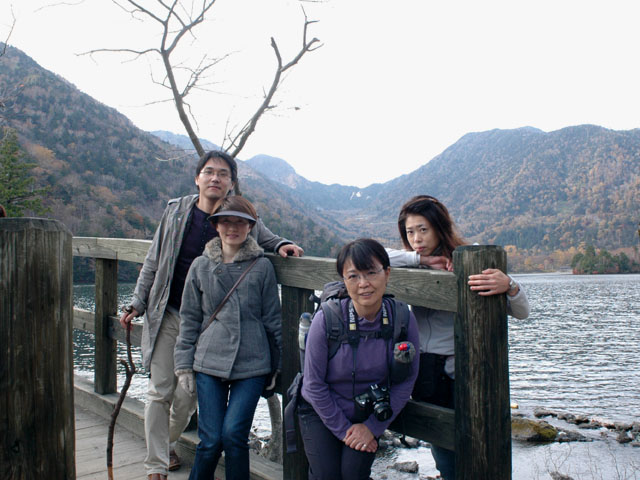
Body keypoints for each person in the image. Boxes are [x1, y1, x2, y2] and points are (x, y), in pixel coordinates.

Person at [119, 150, 303, 480]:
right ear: (197, 178)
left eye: (223, 173)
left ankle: (168, 441)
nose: (215, 178)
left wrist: (282, 245)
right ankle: (155, 464)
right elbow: (153, 259)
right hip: (170, 311)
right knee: (161, 390)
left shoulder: (239, 215)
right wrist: (138, 302)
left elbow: (266, 237)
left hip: (211, 326)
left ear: (232, 182)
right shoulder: (177, 212)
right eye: (209, 171)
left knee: (187, 397)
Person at [387, 194, 530, 480]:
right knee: (444, 453)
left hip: (469, 369)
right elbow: (372, 257)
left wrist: (509, 285)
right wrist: (420, 259)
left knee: (481, 445)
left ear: (440, 227)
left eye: (423, 229)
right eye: (410, 232)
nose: (416, 238)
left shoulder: (470, 258)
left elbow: (522, 311)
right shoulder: (410, 263)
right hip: (428, 371)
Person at [174, 196, 282, 480]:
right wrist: (183, 365)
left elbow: (273, 319)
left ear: (251, 227)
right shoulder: (200, 266)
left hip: (253, 362)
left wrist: (276, 366)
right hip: (209, 360)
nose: (232, 228)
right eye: (226, 221)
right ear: (216, 225)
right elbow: (189, 319)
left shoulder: (262, 267)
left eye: (240, 222)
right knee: (210, 440)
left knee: (234, 435)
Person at [299, 238, 420, 480]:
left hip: (367, 412)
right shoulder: (328, 319)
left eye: (371, 273)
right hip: (321, 408)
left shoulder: (402, 319)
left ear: (387, 273)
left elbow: (407, 381)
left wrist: (372, 428)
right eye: (353, 276)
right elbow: (313, 385)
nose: (363, 284)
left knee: (353, 474)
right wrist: (346, 432)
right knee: (326, 475)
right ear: (344, 280)